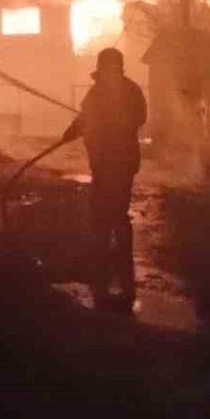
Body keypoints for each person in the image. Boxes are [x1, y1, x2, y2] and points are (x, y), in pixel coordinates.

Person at [62, 47, 147, 312]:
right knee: (103, 209)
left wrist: (106, 125)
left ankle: (116, 258)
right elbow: (84, 118)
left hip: (118, 161)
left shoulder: (126, 92)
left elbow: (136, 119)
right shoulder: (103, 92)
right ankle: (106, 256)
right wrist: (71, 132)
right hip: (104, 162)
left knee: (115, 210)